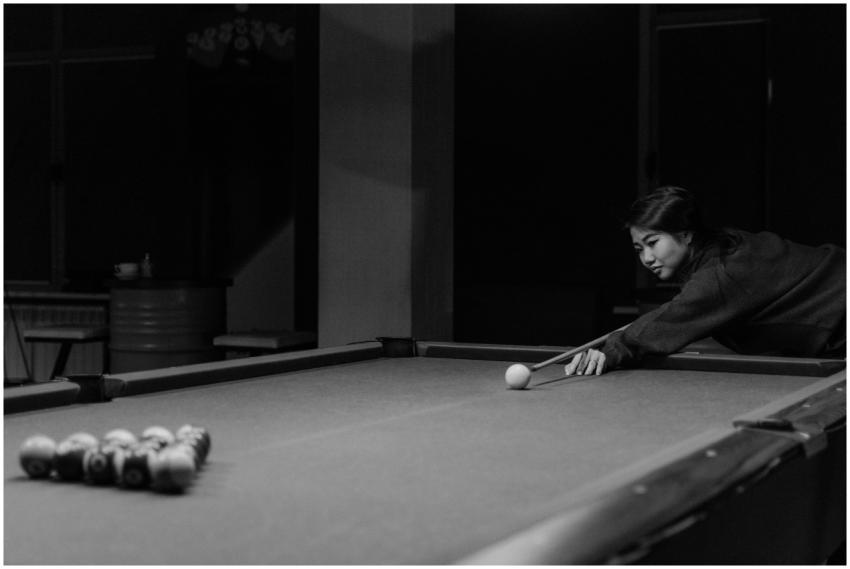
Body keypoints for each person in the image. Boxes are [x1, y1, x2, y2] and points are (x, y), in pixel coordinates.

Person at [566, 186, 846, 376]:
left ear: (686, 235)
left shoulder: (723, 273)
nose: (647, 257)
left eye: (653, 243)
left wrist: (612, 349)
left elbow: (675, 317)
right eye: (639, 249)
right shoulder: (725, 246)